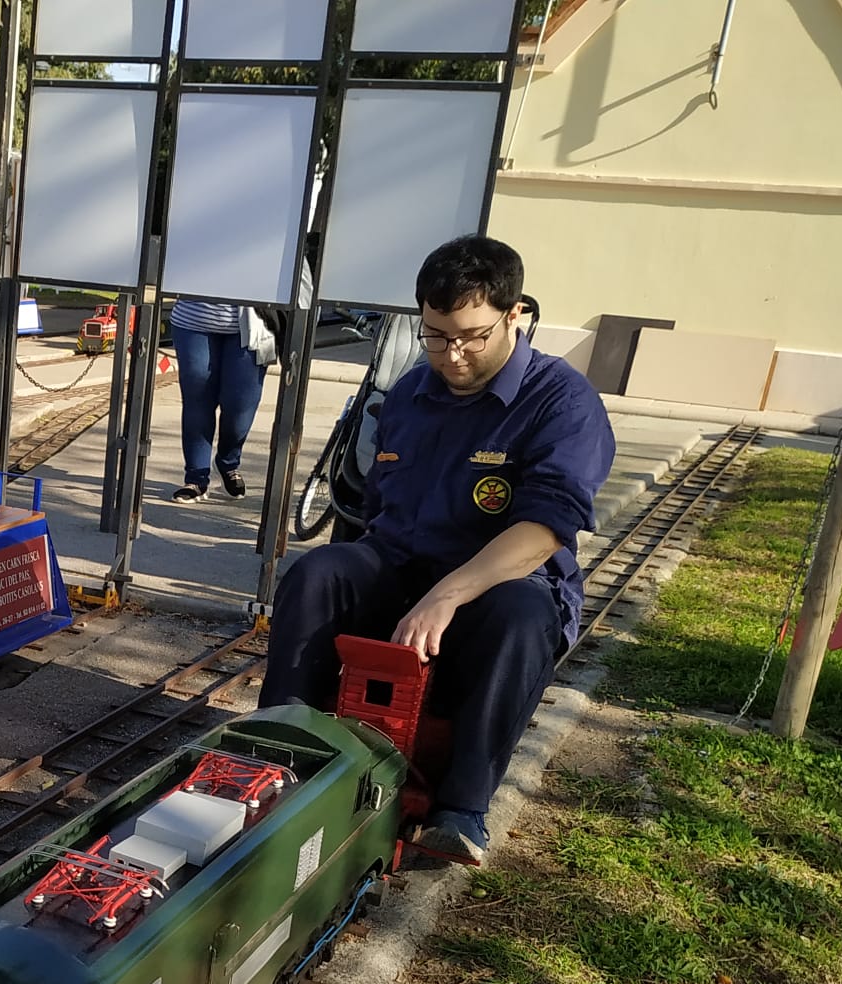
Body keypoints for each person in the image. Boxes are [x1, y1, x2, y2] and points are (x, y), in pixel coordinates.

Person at [259, 235, 615, 866]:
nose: (453, 355)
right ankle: (280, 753)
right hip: (402, 569)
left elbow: (546, 529)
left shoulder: (562, 402)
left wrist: (447, 596)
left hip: (495, 591)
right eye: (435, 335)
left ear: (514, 315)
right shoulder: (410, 394)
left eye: (472, 337)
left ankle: (461, 812)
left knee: (523, 616)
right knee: (318, 572)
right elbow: (375, 512)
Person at [168, 298, 274, 504]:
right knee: (197, 401)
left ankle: (228, 462)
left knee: (241, 407)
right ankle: (195, 479)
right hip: (192, 321)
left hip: (256, 324)